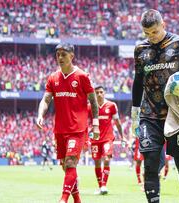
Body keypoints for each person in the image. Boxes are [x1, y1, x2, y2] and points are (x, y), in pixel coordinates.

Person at [131, 9, 179, 203]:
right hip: (149, 115)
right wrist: (135, 112)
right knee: (151, 164)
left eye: (155, 32)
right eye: (147, 33)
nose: (151, 37)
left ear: (164, 25)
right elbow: (138, 81)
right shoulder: (140, 50)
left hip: (177, 115)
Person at [36, 43, 100, 203]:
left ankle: (63, 199)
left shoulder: (82, 76)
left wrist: (96, 124)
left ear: (72, 56)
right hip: (60, 129)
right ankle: (77, 200)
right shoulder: (53, 77)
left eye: (63, 54)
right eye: (57, 54)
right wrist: (40, 115)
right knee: (66, 167)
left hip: (78, 128)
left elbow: (93, 101)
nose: (60, 57)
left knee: (71, 161)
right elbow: (46, 99)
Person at [90, 85, 124, 195]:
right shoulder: (90, 106)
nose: (99, 94)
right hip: (95, 139)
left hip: (107, 138)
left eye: (101, 92)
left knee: (107, 159)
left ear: (104, 93)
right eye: (97, 92)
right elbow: (85, 123)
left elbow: (117, 122)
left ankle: (104, 185)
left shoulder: (111, 105)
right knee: (97, 163)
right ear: (94, 94)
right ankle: (100, 187)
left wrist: (122, 136)